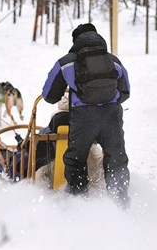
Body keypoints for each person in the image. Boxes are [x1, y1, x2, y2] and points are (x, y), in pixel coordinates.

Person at [42, 23, 130, 206]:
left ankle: (78, 205)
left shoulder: (66, 62)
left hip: (83, 119)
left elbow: (49, 96)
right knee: (116, 159)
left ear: (75, 41)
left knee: (76, 159)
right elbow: (125, 91)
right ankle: (120, 204)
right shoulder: (113, 60)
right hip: (112, 116)